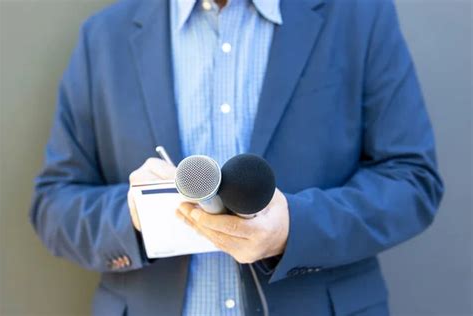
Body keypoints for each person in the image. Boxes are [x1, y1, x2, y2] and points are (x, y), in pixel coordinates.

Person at [30, 0, 444, 315]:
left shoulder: (359, 17)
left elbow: (412, 180)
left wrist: (293, 229)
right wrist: (133, 215)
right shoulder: (104, 38)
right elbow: (54, 204)